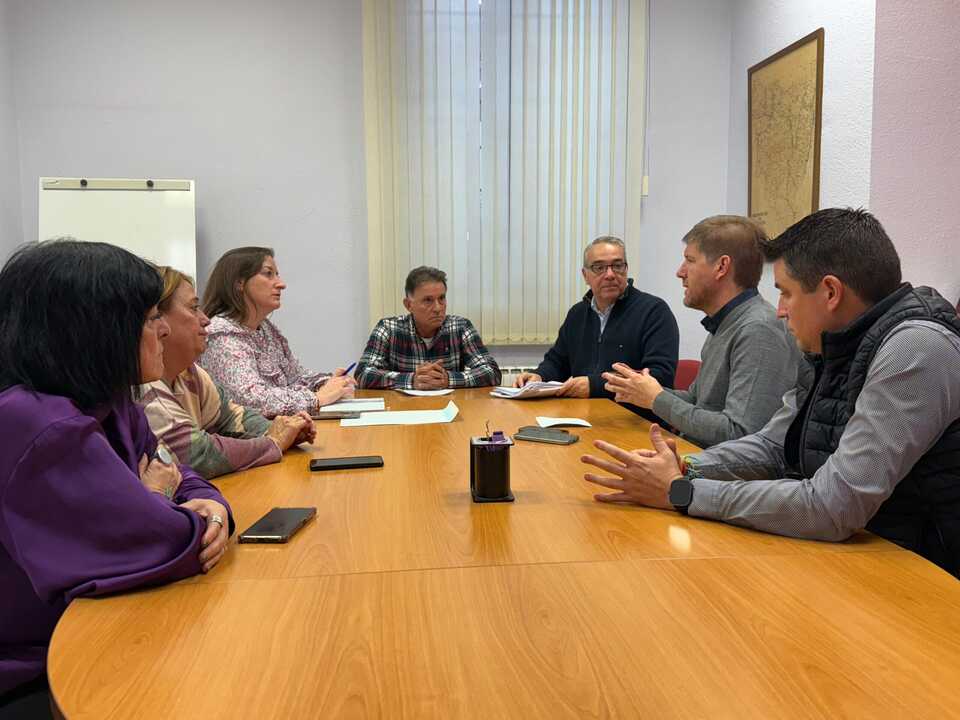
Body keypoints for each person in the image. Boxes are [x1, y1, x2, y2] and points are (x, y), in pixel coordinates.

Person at [581, 208, 960, 578]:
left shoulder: (915, 349)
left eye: (786, 293)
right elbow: (775, 445)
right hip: (860, 554)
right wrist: (686, 468)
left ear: (830, 292)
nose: (779, 311)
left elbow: (833, 506)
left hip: (923, 577)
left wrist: (683, 492)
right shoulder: (830, 346)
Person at [0, 240, 233, 711]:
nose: (164, 329)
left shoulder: (113, 403)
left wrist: (212, 506)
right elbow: (160, 541)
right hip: (33, 671)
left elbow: (180, 474)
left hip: (88, 634)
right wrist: (164, 503)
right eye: (150, 317)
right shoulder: (35, 423)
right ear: (94, 328)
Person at [602, 216, 799, 447]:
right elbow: (698, 401)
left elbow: (740, 433)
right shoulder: (725, 322)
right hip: (697, 457)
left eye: (690, 260)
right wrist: (639, 389)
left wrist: (657, 398)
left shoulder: (758, 329)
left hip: (713, 466)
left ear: (721, 267)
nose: (680, 272)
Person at [140, 267, 317, 479]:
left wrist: (282, 429)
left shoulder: (189, 372)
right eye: (193, 308)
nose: (206, 319)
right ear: (158, 318)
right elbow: (198, 455)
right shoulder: (142, 385)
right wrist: (275, 441)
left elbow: (231, 415)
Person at [514, 236, 679, 414]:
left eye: (617, 266)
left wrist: (595, 386)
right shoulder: (577, 314)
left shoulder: (654, 311)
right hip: (584, 415)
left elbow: (659, 376)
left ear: (626, 269)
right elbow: (557, 362)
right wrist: (539, 376)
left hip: (635, 419)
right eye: (599, 268)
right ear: (585, 275)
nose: (610, 275)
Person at [200, 247, 355, 417]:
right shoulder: (221, 336)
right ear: (239, 283)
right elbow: (251, 399)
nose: (281, 284)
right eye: (268, 274)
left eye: (277, 275)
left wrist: (328, 383)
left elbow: (296, 377)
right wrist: (316, 399)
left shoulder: (265, 328)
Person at [355, 266, 501, 389]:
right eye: (428, 300)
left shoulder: (461, 327)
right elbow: (363, 374)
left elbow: (492, 372)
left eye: (441, 298)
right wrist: (412, 380)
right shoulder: (388, 328)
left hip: (450, 408)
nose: (438, 308)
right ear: (408, 305)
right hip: (403, 408)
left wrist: (448, 379)